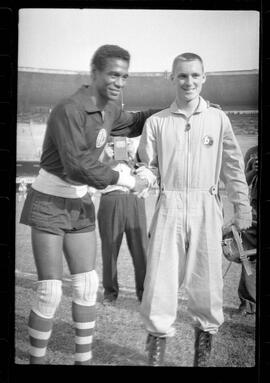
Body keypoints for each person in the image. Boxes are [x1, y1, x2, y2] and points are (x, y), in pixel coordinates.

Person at [19, 44, 158, 365]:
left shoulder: (110, 110)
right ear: (94, 73)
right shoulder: (68, 110)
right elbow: (76, 166)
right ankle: (35, 361)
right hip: (49, 203)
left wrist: (177, 104)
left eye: (124, 77)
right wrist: (127, 180)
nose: (119, 82)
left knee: (86, 286)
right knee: (50, 292)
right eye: (113, 74)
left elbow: (136, 121)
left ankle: (84, 361)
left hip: (80, 203)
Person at [136, 52, 252, 367]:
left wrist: (242, 207)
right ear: (171, 78)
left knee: (207, 285)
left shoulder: (218, 119)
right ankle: (156, 356)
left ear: (204, 78)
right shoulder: (156, 122)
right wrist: (141, 178)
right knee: (159, 283)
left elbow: (233, 168)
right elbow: (148, 167)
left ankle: (201, 357)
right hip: (169, 207)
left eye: (195, 76)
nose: (189, 81)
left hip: (206, 207)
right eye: (182, 75)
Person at [97, 137, 148, 305]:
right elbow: (93, 173)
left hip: (135, 198)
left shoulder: (138, 138)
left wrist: (133, 156)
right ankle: (110, 292)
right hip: (111, 197)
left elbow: (147, 170)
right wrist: (106, 158)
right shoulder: (100, 136)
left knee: (141, 249)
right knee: (109, 248)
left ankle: (144, 292)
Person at [237, 145, 258, 315]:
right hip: (255, 216)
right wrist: (253, 170)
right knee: (248, 259)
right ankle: (247, 304)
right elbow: (243, 183)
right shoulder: (252, 152)